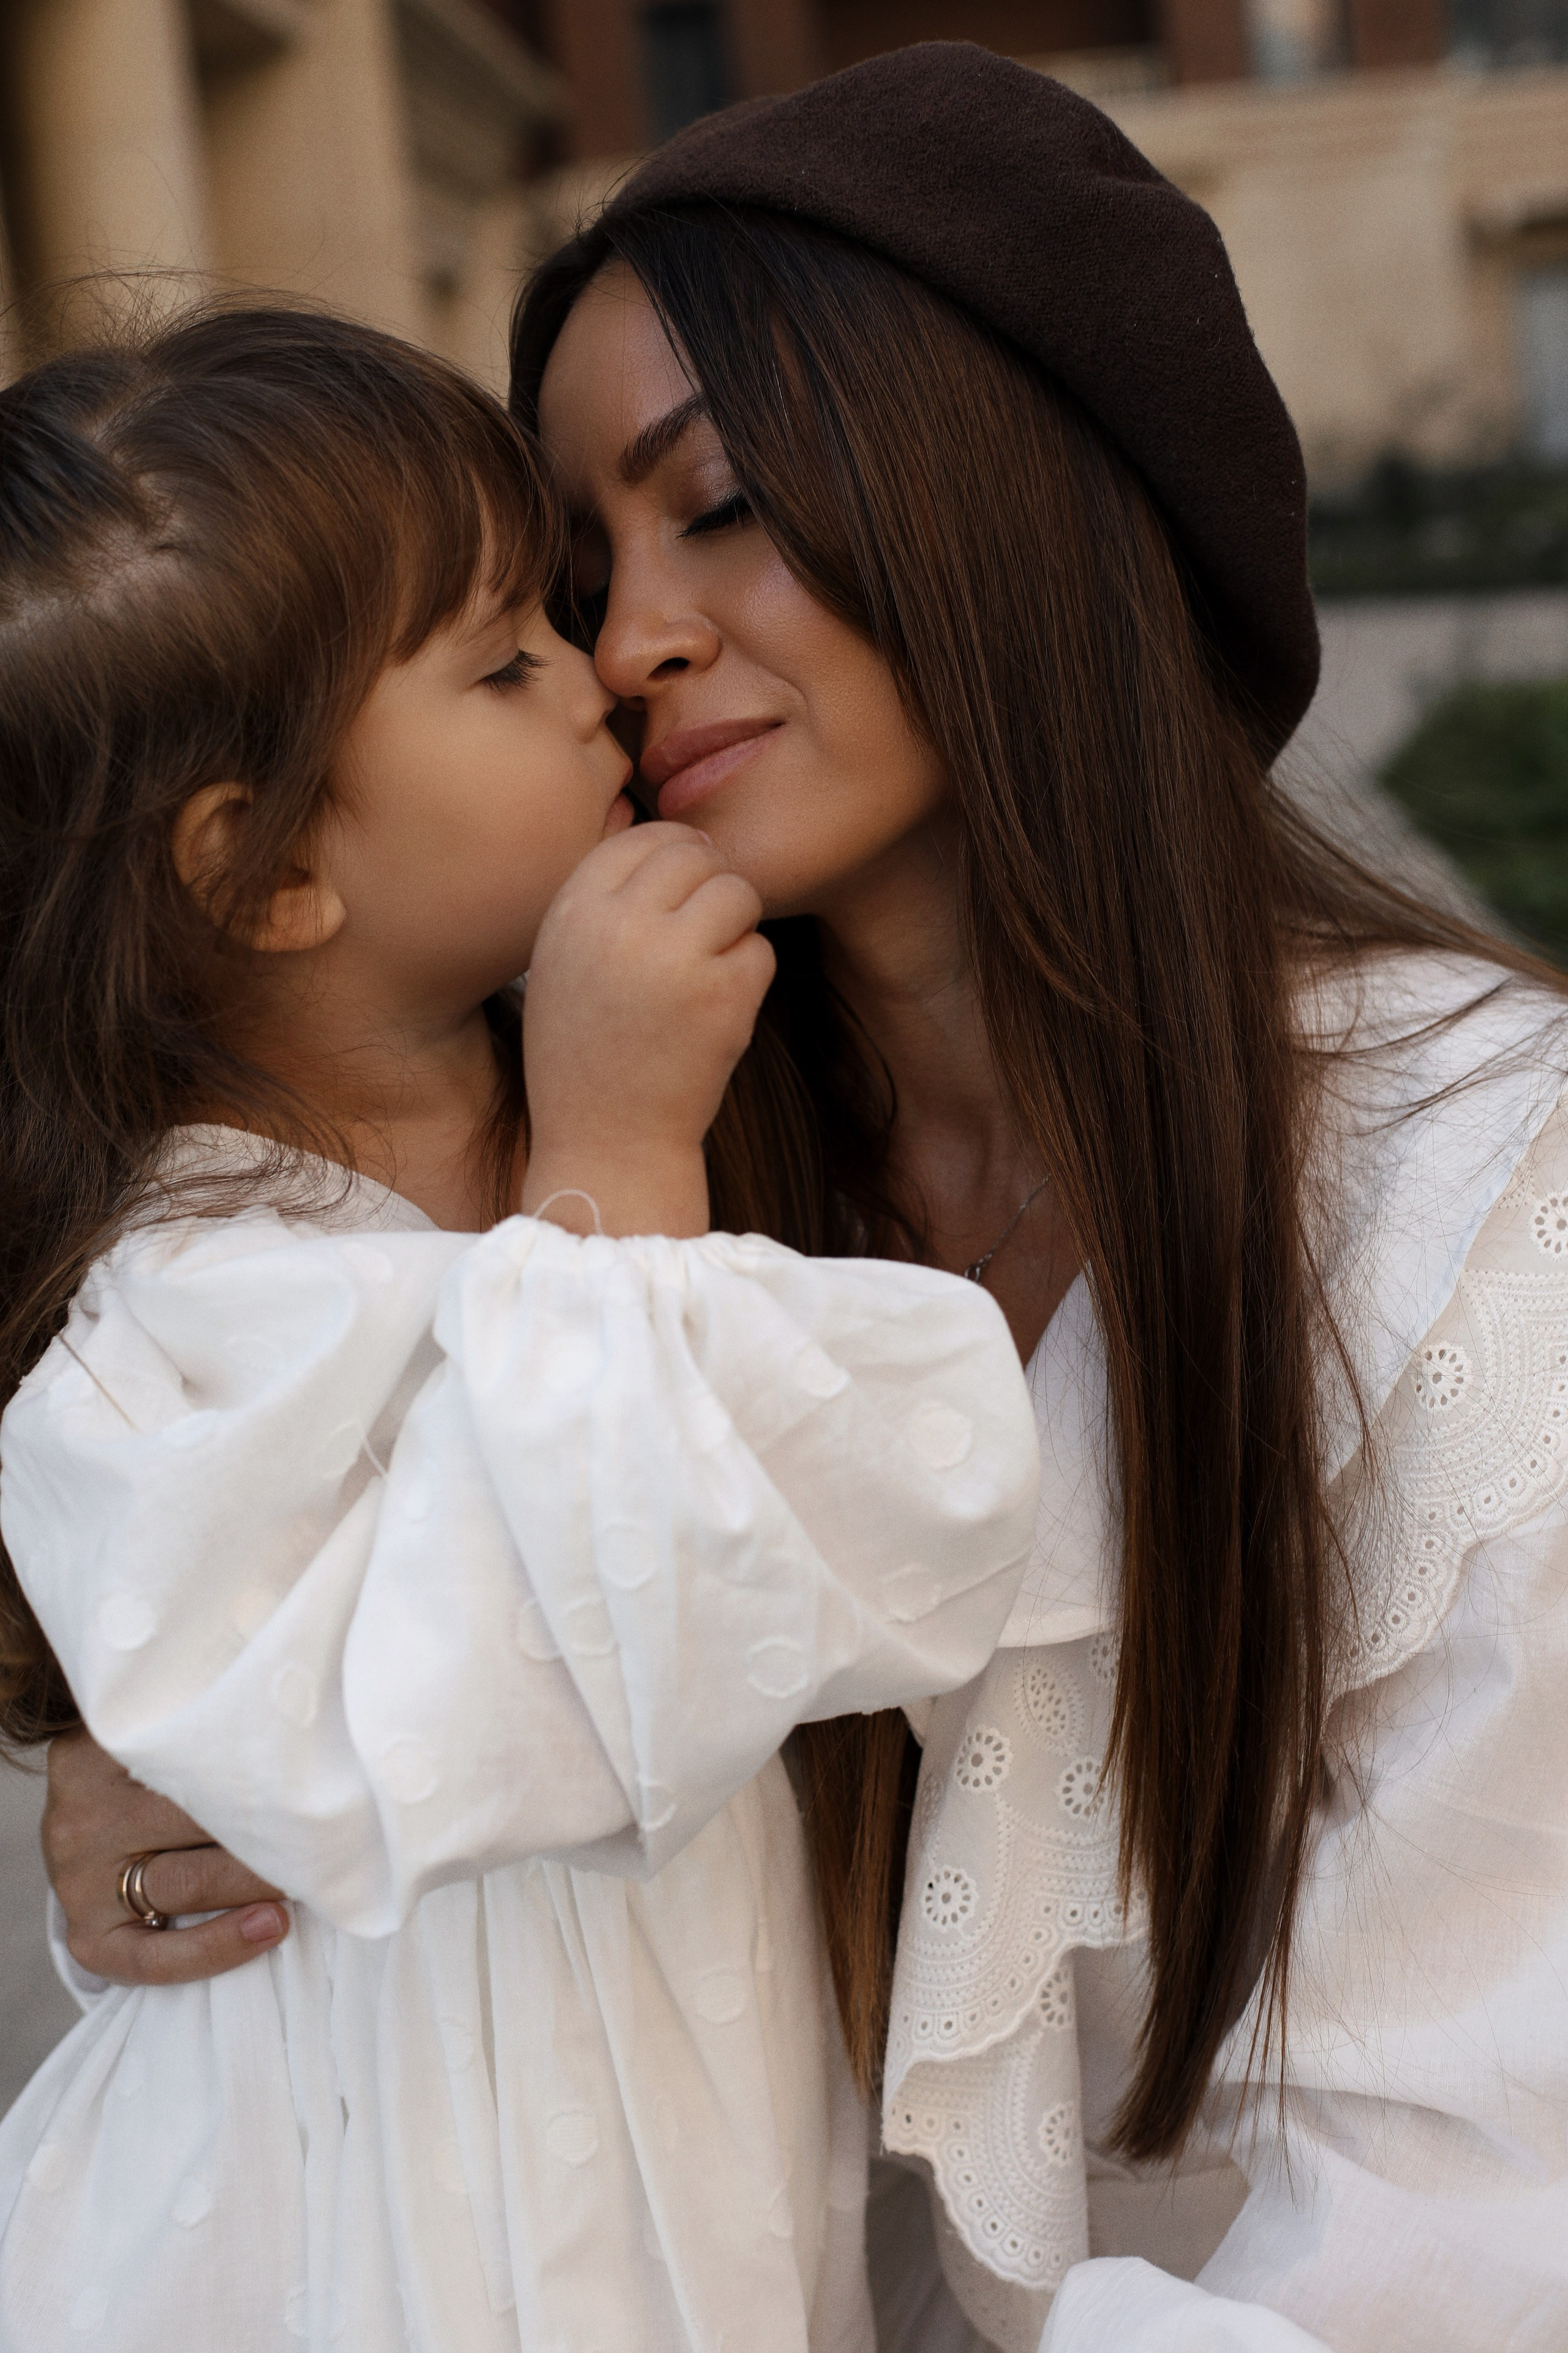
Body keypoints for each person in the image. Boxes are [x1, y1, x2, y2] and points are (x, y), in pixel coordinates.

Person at [39, 44, 1568, 2353]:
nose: (625, 645)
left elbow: (1465, 2237)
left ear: (1014, 493)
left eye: (722, 501)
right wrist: (195, 1764)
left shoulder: (1478, 1207)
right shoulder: (620, 1171)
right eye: (561, 587)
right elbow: (349, 1594)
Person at [0, 301, 1044, 2351]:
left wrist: (611, 1146)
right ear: (276, 864)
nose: (601, 676)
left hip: (706, 2205)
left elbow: (916, 1527)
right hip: (369, 2257)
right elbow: (559, 1699)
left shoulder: (709, 1058)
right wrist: (612, 1178)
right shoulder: (183, 1315)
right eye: (506, 658)